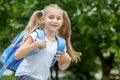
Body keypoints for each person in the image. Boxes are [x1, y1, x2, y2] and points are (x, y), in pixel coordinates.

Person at [14, 4, 81, 80]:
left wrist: (67, 60)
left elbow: (62, 67)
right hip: (26, 75)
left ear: (62, 22)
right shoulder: (36, 35)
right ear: (43, 20)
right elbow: (17, 55)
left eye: (58, 18)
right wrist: (36, 44)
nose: (55, 21)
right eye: (51, 17)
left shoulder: (61, 43)